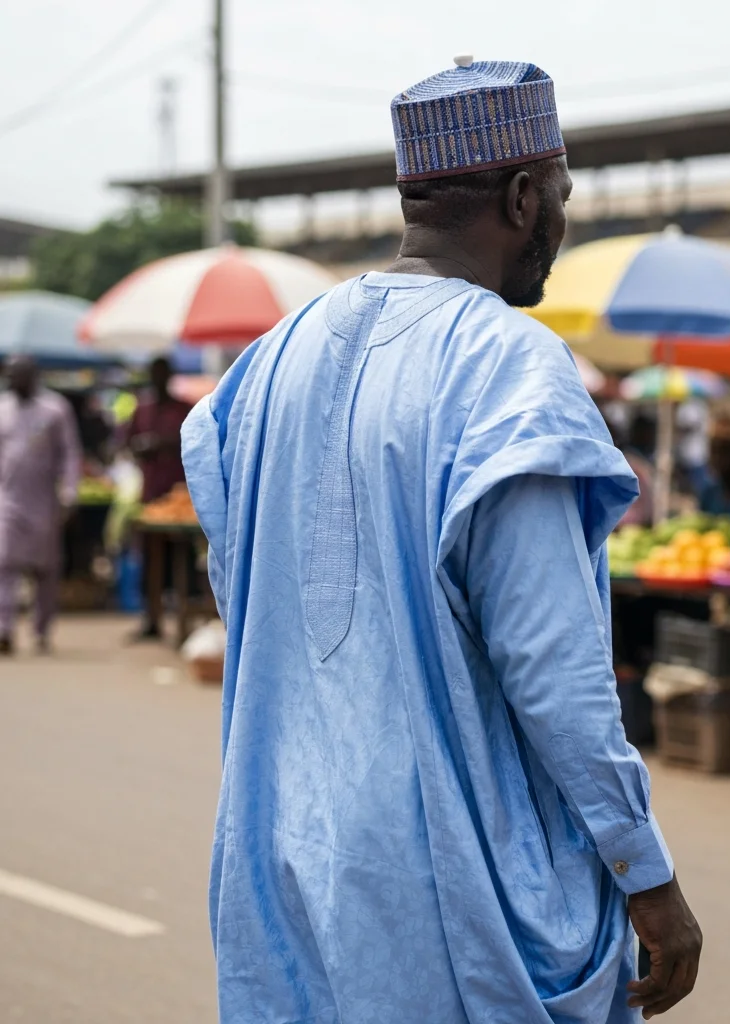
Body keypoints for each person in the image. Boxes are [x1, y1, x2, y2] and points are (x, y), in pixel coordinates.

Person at [182, 59, 701, 1024]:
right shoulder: (511, 367)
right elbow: (554, 667)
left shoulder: (267, 362)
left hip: (289, 856)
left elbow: (243, 597)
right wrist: (646, 872)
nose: (562, 220)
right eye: (560, 197)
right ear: (521, 198)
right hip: (458, 892)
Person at [0, 355, 81, 654]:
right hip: (8, 500)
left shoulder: (55, 409)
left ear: (33, 376)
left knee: (45, 570)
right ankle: (4, 629)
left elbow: (70, 453)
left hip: (44, 502)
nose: (14, 380)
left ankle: (41, 629)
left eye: (19, 374)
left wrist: (70, 493)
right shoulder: (3, 409)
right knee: (5, 562)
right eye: (10, 374)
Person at [123, 356, 191, 638]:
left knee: (181, 559)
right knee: (150, 560)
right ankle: (152, 620)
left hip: (180, 494)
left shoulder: (183, 409)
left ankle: (184, 619)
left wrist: (163, 444)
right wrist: (142, 447)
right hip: (151, 495)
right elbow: (128, 442)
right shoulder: (143, 410)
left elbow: (193, 442)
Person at [675, 397, 708, 495]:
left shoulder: (695, 406)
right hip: (685, 454)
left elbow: (690, 425)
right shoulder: (684, 406)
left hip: (696, 455)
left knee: (697, 489)